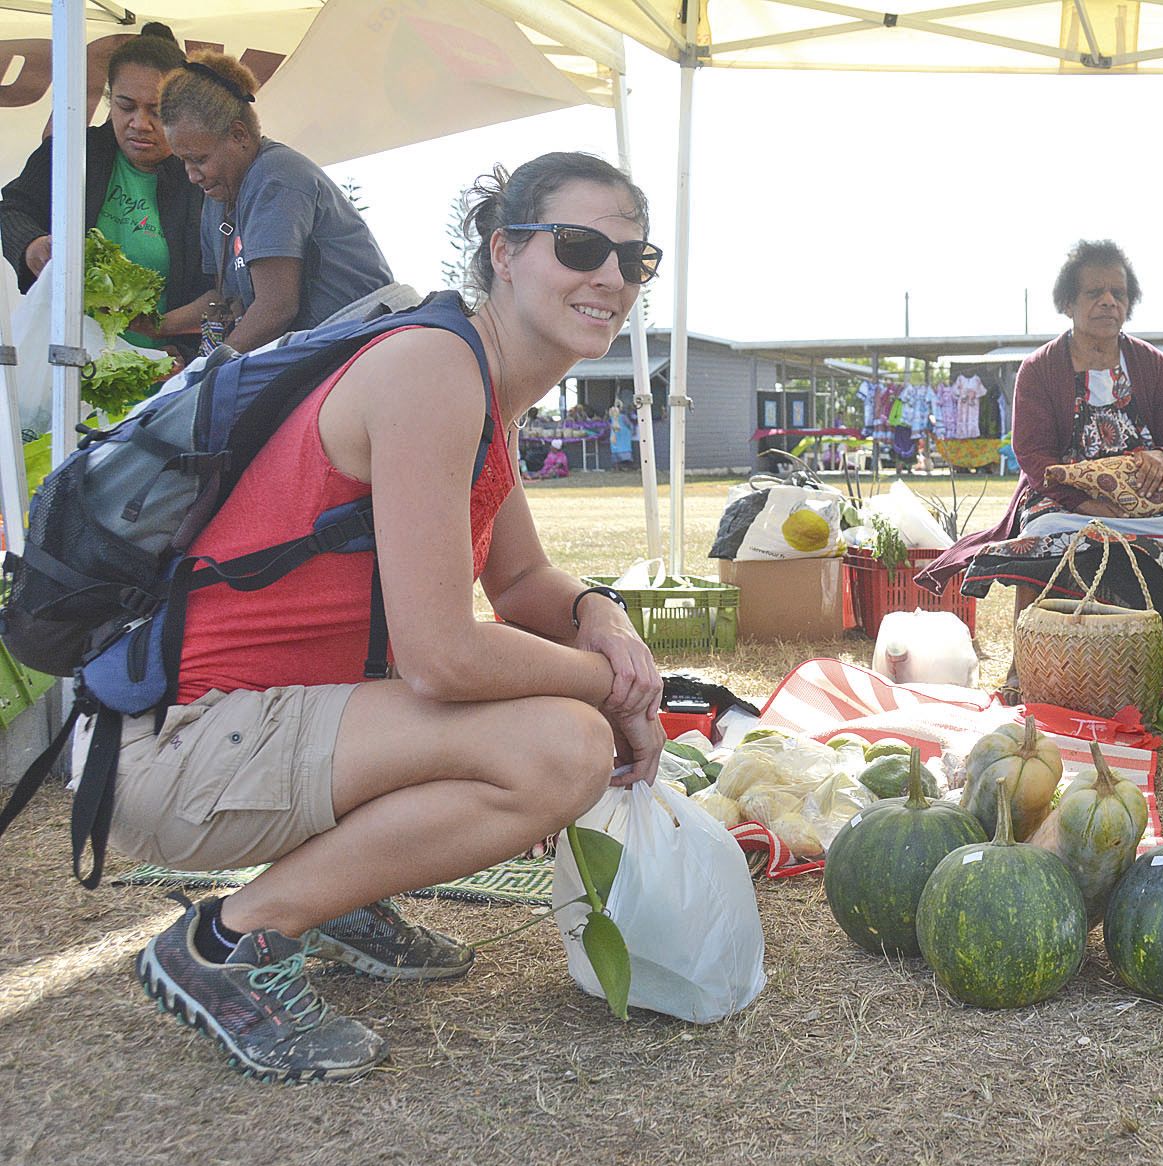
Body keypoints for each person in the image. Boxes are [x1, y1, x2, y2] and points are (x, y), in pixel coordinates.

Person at [119, 152, 668, 1080]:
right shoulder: (432, 370)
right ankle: (227, 943)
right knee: (562, 747)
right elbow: (441, 657)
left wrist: (602, 619)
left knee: (558, 717)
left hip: (264, 724)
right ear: (504, 251)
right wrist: (612, 688)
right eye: (579, 247)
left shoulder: (480, 384)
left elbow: (524, 580)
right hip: (185, 744)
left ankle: (336, 894)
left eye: (634, 258)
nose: (610, 277)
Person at [917, 240, 1163, 695]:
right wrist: (1083, 501)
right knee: (1042, 530)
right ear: (1068, 302)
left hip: (1141, 507)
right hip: (1062, 501)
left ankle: (1144, 667)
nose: (1108, 301)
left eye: (1118, 293)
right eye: (1094, 292)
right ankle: (1023, 668)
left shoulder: (1155, 366)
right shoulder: (1040, 369)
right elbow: (1033, 456)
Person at [157, 52, 396, 352]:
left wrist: (208, 371)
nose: (192, 175)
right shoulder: (219, 197)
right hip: (325, 349)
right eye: (184, 161)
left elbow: (276, 308)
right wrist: (157, 326)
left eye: (199, 159)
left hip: (366, 343)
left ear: (239, 135)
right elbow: (225, 300)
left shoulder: (276, 177)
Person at [0, 22, 211, 352]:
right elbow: (14, 207)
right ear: (109, 99)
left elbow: (218, 288)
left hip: (158, 368)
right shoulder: (70, 151)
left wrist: (183, 353)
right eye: (126, 106)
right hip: (64, 357)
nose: (139, 123)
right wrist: (31, 245)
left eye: (156, 112)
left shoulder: (203, 181)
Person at [609, 400, 637, 471]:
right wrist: (633, 430)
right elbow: (629, 424)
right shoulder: (623, 417)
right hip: (623, 434)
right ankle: (626, 465)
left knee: (615, 448)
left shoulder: (612, 416)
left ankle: (617, 466)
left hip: (615, 433)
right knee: (624, 447)